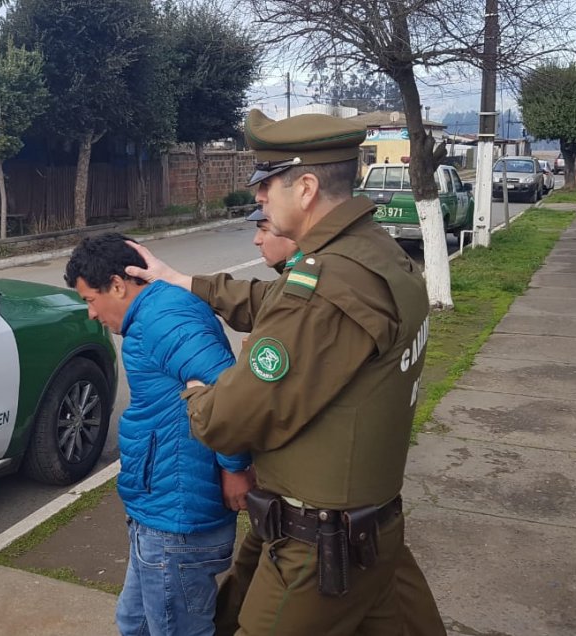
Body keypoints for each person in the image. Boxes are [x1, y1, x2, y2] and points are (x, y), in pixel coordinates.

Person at [126, 109, 444, 635]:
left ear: (307, 188)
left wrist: (198, 393)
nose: (258, 200)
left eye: (266, 186)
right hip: (373, 531)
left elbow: (232, 418)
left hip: (320, 554)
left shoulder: (325, 289)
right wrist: (183, 280)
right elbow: (274, 301)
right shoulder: (372, 253)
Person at [64, 233, 254, 636]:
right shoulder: (155, 313)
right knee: (135, 623)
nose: (92, 315)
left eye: (90, 301)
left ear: (118, 285)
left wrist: (236, 468)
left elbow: (227, 392)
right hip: (160, 508)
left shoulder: (161, 319)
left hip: (178, 518)